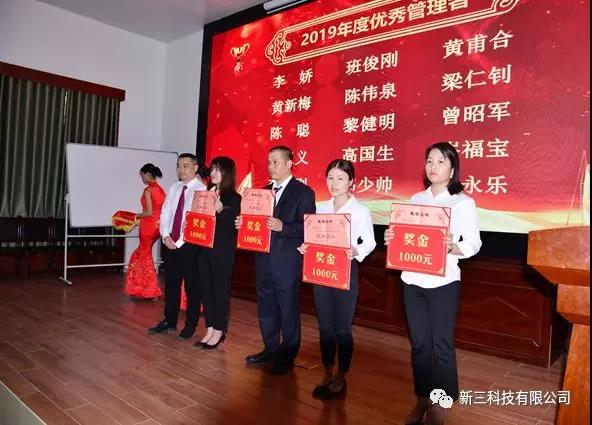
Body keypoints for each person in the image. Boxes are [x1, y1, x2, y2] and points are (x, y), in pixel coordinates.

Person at [384, 142, 482, 425]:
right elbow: (407, 237)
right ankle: (422, 397)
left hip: (443, 283)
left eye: (441, 161)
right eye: (429, 160)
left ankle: (442, 401)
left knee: (441, 344)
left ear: (452, 169)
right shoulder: (416, 199)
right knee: (419, 345)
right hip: (412, 280)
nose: (433, 166)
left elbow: (474, 243)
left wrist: (453, 246)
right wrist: (392, 238)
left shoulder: (462, 203)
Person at [298, 159, 376, 400]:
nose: (334, 183)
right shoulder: (320, 208)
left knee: (342, 327)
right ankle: (327, 371)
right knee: (325, 326)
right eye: (330, 178)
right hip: (321, 270)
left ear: (351, 182)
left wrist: (356, 250)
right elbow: (313, 236)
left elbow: (370, 242)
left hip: (345, 271)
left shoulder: (360, 210)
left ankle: (342, 374)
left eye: (340, 178)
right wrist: (306, 246)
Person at [236, 146, 316, 375]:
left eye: (275, 162)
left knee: (288, 309)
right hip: (263, 260)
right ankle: (270, 349)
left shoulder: (303, 192)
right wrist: (243, 224)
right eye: (269, 162)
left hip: (287, 262)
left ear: (290, 163)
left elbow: (309, 227)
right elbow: (255, 223)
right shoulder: (262, 193)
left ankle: (287, 355)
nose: (271, 166)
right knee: (266, 307)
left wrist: (283, 227)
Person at [148, 153, 206, 339]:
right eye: (179, 166)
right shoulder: (174, 187)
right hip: (170, 242)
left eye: (185, 166)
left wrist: (179, 241)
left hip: (190, 246)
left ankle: (190, 325)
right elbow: (165, 213)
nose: (181, 170)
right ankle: (169, 320)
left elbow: (198, 221)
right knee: (171, 284)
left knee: (192, 287)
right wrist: (165, 235)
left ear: (195, 168)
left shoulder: (202, 190)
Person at [196, 156, 241, 349]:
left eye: (217, 170)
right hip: (204, 249)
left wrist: (222, 210)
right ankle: (210, 327)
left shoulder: (235, 198)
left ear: (227, 173)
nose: (212, 173)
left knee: (220, 291)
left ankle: (219, 330)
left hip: (222, 251)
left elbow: (235, 226)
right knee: (206, 290)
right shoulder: (206, 194)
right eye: (212, 169)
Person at [124, 163, 166, 300]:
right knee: (140, 255)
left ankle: (151, 290)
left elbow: (148, 212)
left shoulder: (148, 190)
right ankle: (141, 288)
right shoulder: (160, 189)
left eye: (142, 175)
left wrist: (133, 216)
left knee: (144, 256)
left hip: (148, 226)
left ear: (147, 174)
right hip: (157, 227)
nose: (142, 178)